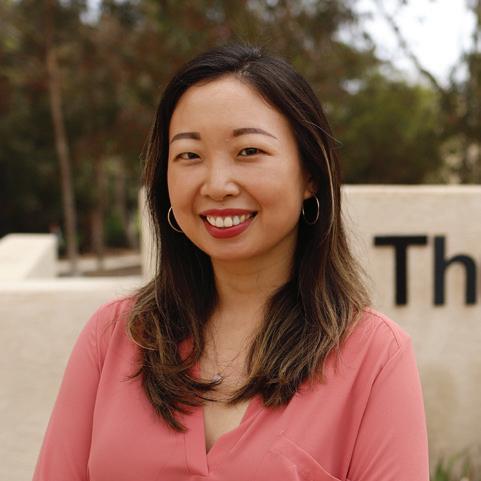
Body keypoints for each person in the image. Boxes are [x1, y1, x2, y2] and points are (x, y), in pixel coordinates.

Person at [32, 43, 429, 481]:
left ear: (310, 175)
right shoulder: (115, 337)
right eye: (189, 155)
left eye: (248, 151)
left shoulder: (374, 357)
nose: (217, 185)